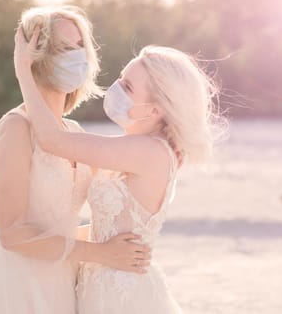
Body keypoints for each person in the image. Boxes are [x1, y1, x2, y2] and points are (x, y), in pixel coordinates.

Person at [14, 26, 223, 313]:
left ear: (154, 110)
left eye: (128, 88)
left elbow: (53, 140)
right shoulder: (132, 148)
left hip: (122, 295)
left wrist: (24, 69)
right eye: (121, 79)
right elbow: (108, 229)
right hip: (100, 284)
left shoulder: (150, 151)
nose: (116, 88)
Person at [0, 6, 151, 314]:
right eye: (63, 48)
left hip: (65, 280)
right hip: (19, 285)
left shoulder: (72, 131)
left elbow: (62, 224)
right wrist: (100, 253)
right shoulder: (16, 127)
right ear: (37, 56)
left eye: (80, 46)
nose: (76, 56)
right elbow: (11, 233)